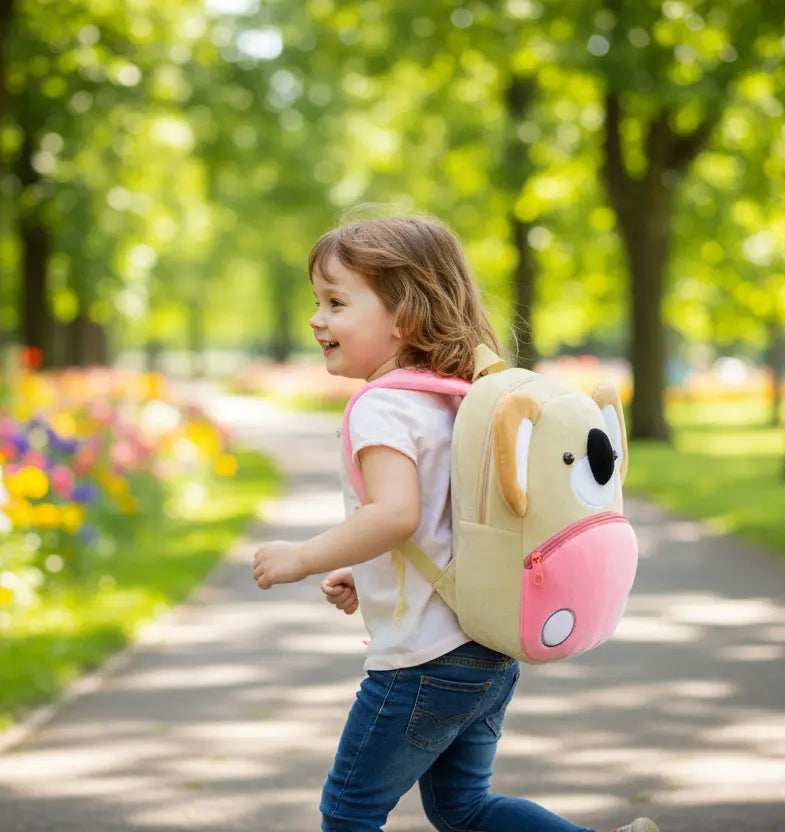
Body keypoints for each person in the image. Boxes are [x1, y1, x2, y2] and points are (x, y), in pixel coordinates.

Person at [252, 216, 658, 832]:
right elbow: (449, 524)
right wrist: (365, 571)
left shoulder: (383, 404)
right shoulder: (460, 397)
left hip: (422, 662)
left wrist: (300, 557)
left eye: (336, 302)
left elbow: (395, 513)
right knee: (463, 809)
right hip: (486, 651)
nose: (317, 319)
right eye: (318, 302)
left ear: (404, 316)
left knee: (349, 812)